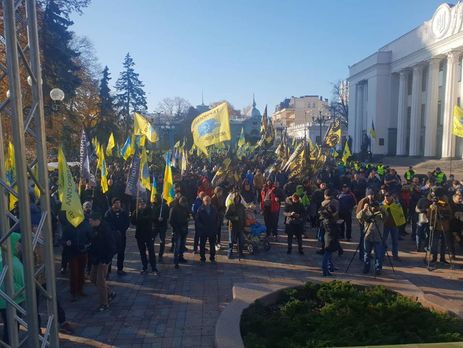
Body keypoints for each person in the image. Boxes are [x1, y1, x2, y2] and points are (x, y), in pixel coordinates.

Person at [61, 207, 92, 302]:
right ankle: (73, 292)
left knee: (81, 272)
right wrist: (66, 242)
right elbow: (62, 240)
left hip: (83, 252)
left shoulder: (85, 226)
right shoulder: (68, 227)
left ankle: (80, 290)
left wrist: (88, 244)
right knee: (74, 273)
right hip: (72, 253)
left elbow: (90, 237)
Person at [88, 212, 116, 312]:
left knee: (100, 280)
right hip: (96, 258)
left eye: (91, 220)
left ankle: (104, 303)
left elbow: (112, 247)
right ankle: (109, 292)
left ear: (97, 220)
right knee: (92, 279)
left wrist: (106, 260)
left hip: (104, 259)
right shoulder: (94, 229)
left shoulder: (105, 230)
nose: (89, 222)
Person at [131, 200, 159, 275]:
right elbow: (133, 222)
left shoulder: (149, 210)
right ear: (138, 205)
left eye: (143, 204)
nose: (142, 205)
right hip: (140, 235)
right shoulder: (136, 212)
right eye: (140, 204)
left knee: (151, 251)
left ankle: (154, 267)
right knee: (142, 252)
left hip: (148, 234)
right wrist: (135, 216)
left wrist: (140, 219)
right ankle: (145, 267)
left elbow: (151, 218)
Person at [104, 197, 130, 276]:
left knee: (121, 253)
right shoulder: (109, 213)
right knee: (110, 253)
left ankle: (120, 269)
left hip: (122, 236)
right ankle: (108, 270)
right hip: (112, 237)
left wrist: (122, 230)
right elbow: (107, 224)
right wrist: (114, 231)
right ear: (113, 204)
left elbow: (127, 222)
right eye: (116, 203)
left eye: (119, 203)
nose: (118, 204)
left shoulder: (123, 212)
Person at [356, 201, 384, 275]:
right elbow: (358, 216)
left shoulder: (380, 213)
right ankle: (366, 268)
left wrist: (382, 209)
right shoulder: (367, 213)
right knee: (366, 254)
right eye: (372, 206)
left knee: (378, 254)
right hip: (368, 236)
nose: (374, 208)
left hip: (377, 237)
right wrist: (364, 209)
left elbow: (386, 216)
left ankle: (378, 268)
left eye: (375, 206)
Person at [319, 189, 340, 276]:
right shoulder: (330, 220)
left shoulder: (323, 205)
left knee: (328, 252)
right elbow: (332, 229)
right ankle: (325, 270)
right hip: (330, 236)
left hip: (327, 235)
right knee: (327, 253)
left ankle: (329, 267)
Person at [196, 195, 219, 263]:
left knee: (212, 245)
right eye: (206, 201)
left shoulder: (214, 208)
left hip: (212, 229)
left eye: (209, 201)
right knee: (202, 245)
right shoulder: (200, 209)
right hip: (204, 230)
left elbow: (217, 218)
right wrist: (201, 227)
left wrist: (216, 226)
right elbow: (197, 220)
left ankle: (212, 257)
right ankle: (202, 258)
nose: (208, 202)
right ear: (203, 201)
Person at [169, 196, 190, 269]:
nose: (184, 204)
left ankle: (181, 257)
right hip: (177, 230)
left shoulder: (185, 208)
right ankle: (176, 261)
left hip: (184, 229)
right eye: (183, 203)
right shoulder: (174, 209)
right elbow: (171, 221)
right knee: (177, 246)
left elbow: (188, 216)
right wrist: (176, 227)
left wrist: (187, 220)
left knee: (182, 245)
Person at [225, 193, 246, 259]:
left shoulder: (242, 206)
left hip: (240, 225)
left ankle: (240, 252)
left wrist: (244, 224)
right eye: (236, 198)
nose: (237, 199)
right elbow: (226, 215)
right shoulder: (230, 206)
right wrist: (234, 218)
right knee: (231, 240)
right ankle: (230, 253)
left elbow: (244, 216)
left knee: (241, 240)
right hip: (233, 226)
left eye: (238, 198)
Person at [381, 192, 401, 261]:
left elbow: (400, 214)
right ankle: (382, 255)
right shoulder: (382, 205)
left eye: (388, 197)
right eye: (385, 197)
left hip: (394, 225)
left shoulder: (396, 204)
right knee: (383, 241)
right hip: (385, 225)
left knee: (395, 241)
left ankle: (395, 255)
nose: (387, 198)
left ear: (392, 197)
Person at [152, 193, 169, 263]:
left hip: (162, 226)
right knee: (151, 240)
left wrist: (163, 218)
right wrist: (156, 218)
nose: (154, 199)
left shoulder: (164, 206)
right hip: (155, 225)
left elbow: (168, 215)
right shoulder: (153, 205)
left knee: (162, 241)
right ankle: (151, 254)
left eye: (155, 198)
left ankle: (160, 255)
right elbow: (151, 216)